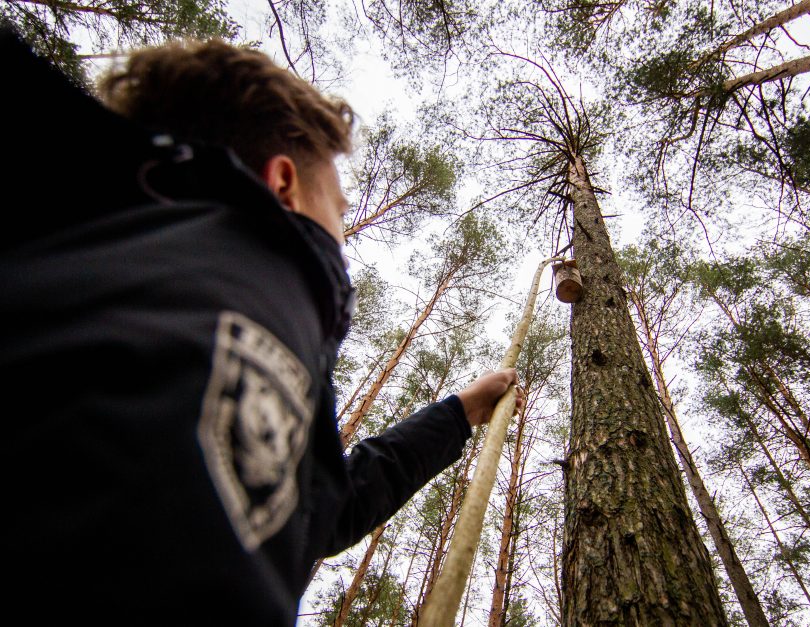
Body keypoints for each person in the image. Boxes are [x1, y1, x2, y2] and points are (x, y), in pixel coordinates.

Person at [1, 30, 521, 624]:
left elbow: (321, 510)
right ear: (282, 184)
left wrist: (457, 413)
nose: (342, 242)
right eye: (340, 211)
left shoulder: (84, 250)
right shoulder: (261, 267)